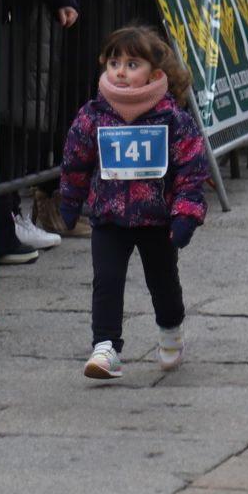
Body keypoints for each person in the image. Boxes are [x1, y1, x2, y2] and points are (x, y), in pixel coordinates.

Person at [58, 26, 208, 379]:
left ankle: (171, 329)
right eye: (114, 62)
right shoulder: (94, 113)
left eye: (131, 63)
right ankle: (105, 346)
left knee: (163, 281)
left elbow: (191, 168)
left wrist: (186, 213)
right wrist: (70, 197)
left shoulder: (172, 118)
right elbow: (75, 157)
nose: (120, 71)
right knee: (106, 280)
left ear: (155, 74)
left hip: (156, 220)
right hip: (108, 217)